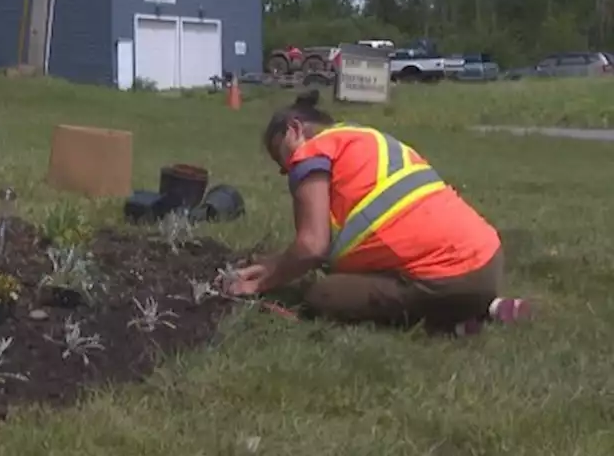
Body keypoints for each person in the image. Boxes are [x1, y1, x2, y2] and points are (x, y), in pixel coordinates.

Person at [224, 90, 530, 334]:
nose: (285, 170)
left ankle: (448, 322)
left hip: (449, 279)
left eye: (281, 157)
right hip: (488, 261)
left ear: (294, 130)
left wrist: (261, 284)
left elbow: (311, 246)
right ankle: (478, 308)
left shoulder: (311, 152)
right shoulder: (365, 138)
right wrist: (275, 264)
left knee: (321, 295)